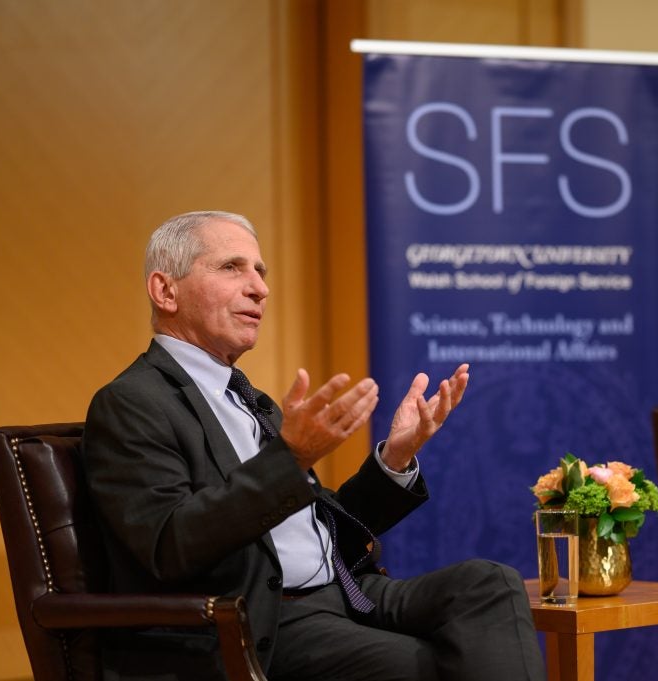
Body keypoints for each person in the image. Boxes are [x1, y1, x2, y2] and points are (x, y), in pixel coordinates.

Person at [82, 210, 545, 681]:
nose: (260, 288)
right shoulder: (133, 403)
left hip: (344, 592)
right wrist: (292, 459)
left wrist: (394, 458)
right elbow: (170, 546)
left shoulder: (249, 400)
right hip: (257, 620)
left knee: (490, 584)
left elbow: (320, 529)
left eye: (260, 271)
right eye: (231, 267)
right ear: (165, 290)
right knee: (433, 667)